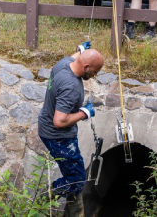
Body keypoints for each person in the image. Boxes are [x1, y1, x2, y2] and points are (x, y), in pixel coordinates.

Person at [37, 41, 104, 216]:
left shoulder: (64, 64)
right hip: (58, 136)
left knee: (76, 176)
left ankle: (76, 212)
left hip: (47, 127)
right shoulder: (71, 87)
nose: (94, 76)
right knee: (76, 180)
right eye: (94, 72)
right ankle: (44, 196)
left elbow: (74, 57)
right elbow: (59, 120)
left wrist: (80, 50)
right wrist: (84, 113)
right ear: (87, 66)